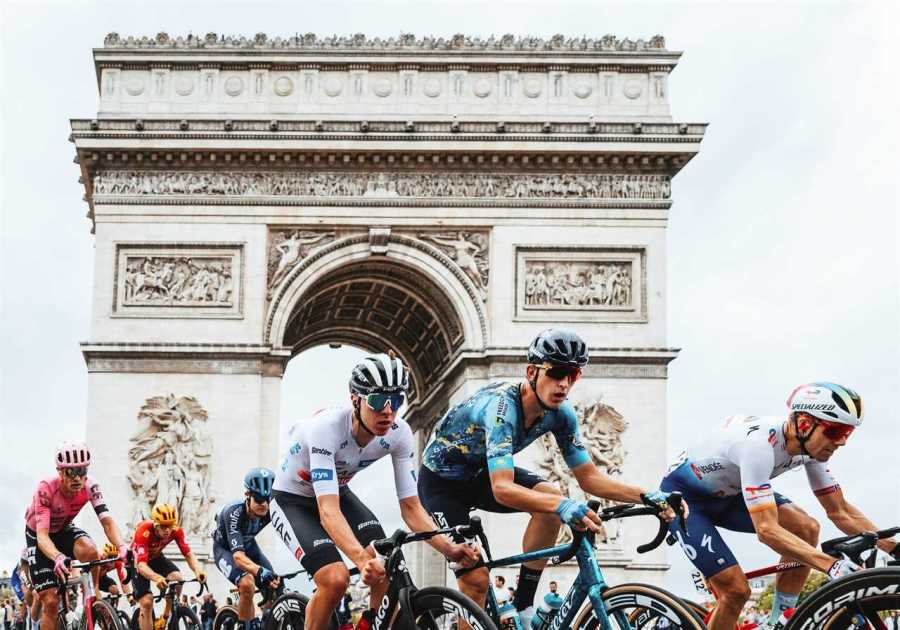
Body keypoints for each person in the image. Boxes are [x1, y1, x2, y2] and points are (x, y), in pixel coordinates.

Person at [418, 329, 683, 626]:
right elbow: (503, 489)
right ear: (531, 372)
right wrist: (563, 506)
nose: (564, 384)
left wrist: (646, 494)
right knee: (476, 579)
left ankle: (523, 605)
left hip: (480, 473)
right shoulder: (501, 409)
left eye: (573, 374)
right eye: (556, 372)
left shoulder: (562, 414)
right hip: (443, 484)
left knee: (551, 496)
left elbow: (590, 478)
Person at [660, 382, 900, 630]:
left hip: (730, 493)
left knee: (807, 528)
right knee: (736, 592)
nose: (842, 442)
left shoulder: (810, 449)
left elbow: (840, 511)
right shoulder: (759, 446)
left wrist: (894, 549)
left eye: (847, 433)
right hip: (686, 500)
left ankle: (779, 621)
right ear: (805, 424)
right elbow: (767, 531)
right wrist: (832, 566)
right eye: (836, 432)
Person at [270, 352, 480, 630]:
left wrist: (449, 548)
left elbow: (412, 507)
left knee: (386, 561)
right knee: (335, 579)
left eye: (397, 401)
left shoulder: (399, 433)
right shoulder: (325, 429)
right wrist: (360, 558)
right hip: (292, 502)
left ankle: (369, 624)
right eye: (379, 401)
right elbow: (328, 511)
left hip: (339, 493)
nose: (388, 412)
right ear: (355, 399)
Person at [23, 443, 129, 630]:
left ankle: (94, 594)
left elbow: (107, 522)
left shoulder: (91, 486)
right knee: (50, 601)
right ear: (60, 473)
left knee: (90, 550)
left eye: (82, 471)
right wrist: (57, 556)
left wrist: (122, 546)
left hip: (63, 529)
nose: (77, 478)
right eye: (71, 472)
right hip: (39, 536)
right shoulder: (46, 488)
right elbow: (42, 536)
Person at [211, 468, 279, 630]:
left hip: (249, 545)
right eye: (259, 499)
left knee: (276, 585)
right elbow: (239, 558)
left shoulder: (270, 509)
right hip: (226, 550)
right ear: (247, 495)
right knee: (247, 583)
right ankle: (245, 625)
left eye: (268, 499)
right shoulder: (233, 512)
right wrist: (260, 571)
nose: (264, 505)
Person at [131, 503, 206, 630]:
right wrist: (156, 578)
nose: (167, 530)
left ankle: (166, 616)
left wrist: (198, 570)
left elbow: (188, 554)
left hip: (156, 558)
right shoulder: (144, 531)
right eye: (163, 526)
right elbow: (142, 565)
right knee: (147, 602)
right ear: (155, 525)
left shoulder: (176, 531)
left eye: (170, 526)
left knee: (177, 578)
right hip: (138, 561)